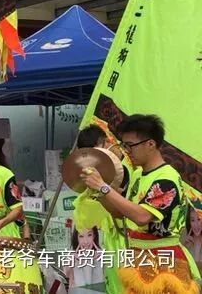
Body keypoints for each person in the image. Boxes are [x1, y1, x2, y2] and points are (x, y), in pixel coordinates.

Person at [81, 114, 201, 294]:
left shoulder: (166, 178)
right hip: (139, 257)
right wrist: (98, 192)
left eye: (130, 145)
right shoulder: (137, 175)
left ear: (150, 144)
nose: (126, 151)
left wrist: (103, 187)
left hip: (164, 259)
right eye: (124, 145)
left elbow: (142, 216)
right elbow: (120, 213)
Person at [71, 124, 130, 294]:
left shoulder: (123, 169)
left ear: (106, 143)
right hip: (107, 236)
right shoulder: (90, 173)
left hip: (124, 235)